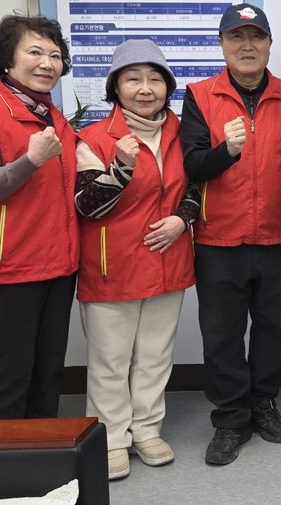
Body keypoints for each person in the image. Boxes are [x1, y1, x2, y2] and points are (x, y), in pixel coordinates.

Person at [180, 3, 281, 466]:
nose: (246, 46)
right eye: (236, 37)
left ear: (269, 43)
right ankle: (231, 418)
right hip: (219, 238)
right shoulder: (199, 95)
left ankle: (263, 403)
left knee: (276, 328)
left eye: (255, 37)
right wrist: (226, 151)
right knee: (221, 334)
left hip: (280, 234)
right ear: (222, 44)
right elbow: (192, 165)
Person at [74, 40, 198, 480]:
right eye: (133, 79)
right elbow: (87, 206)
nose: (145, 89)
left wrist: (182, 220)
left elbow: (197, 188)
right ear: (115, 87)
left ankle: (146, 429)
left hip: (168, 260)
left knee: (155, 356)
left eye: (154, 79)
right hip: (113, 266)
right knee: (110, 360)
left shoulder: (183, 133)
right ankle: (110, 438)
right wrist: (122, 167)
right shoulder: (92, 138)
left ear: (167, 87)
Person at [0, 14, 79, 420]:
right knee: (8, 378)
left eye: (55, 55)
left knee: (47, 374)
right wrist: (31, 160)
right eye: (35, 52)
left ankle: (42, 456)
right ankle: (1, 461)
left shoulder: (53, 118)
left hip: (56, 266)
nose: (47, 63)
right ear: (8, 60)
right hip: (6, 270)